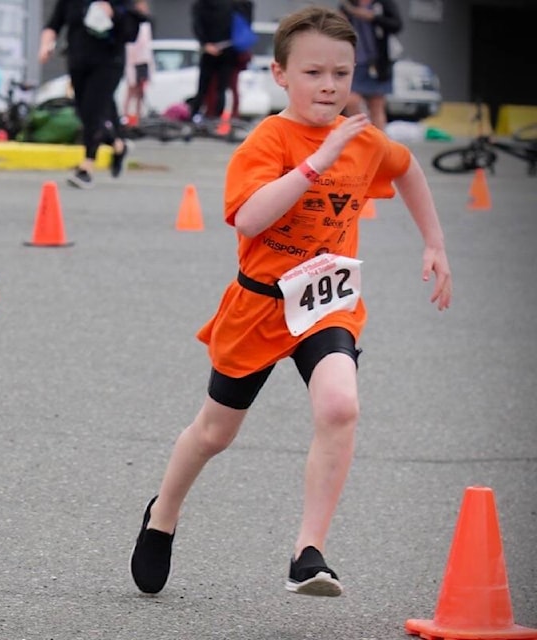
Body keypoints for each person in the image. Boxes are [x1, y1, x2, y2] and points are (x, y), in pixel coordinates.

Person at [129, 5, 451, 598]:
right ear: (280, 74)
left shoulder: (363, 138)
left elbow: (406, 170)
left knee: (339, 406)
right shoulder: (269, 140)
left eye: (341, 73)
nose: (328, 86)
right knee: (214, 433)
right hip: (258, 304)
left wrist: (434, 242)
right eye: (312, 73)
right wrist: (315, 164)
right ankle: (162, 513)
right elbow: (250, 217)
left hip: (327, 303)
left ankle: (308, 552)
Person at [39, 0, 136, 189]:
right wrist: (45, 45)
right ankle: (118, 145)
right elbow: (54, 24)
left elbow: (132, 26)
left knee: (94, 110)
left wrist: (114, 13)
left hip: (109, 62)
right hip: (78, 61)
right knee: (84, 110)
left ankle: (87, 167)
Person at [340, 0, 402, 131]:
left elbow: (397, 25)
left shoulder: (383, 4)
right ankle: (362, 134)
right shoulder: (348, 6)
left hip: (378, 62)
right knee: (351, 100)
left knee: (377, 104)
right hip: (355, 61)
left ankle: (379, 142)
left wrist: (373, 17)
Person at [189, 0, 237, 122]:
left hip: (209, 49)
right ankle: (218, 117)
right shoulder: (230, 5)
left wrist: (205, 43)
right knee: (221, 87)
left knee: (203, 86)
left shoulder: (200, 6)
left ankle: (195, 115)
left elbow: (197, 26)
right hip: (226, 48)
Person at [123, 1, 154, 127]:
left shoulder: (147, 24)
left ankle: (138, 115)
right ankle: (126, 116)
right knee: (131, 90)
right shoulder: (132, 22)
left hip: (144, 60)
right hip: (134, 61)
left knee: (141, 91)